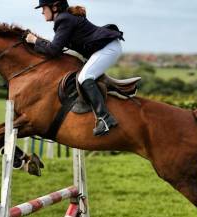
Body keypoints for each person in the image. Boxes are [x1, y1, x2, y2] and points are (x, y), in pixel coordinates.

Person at [26, 0, 124, 136]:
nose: (42, 12)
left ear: (54, 7)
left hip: (108, 49)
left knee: (85, 77)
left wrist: (35, 40)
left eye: (43, 8)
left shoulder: (64, 19)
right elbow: (58, 49)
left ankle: (105, 118)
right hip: (104, 48)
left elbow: (53, 50)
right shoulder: (66, 18)